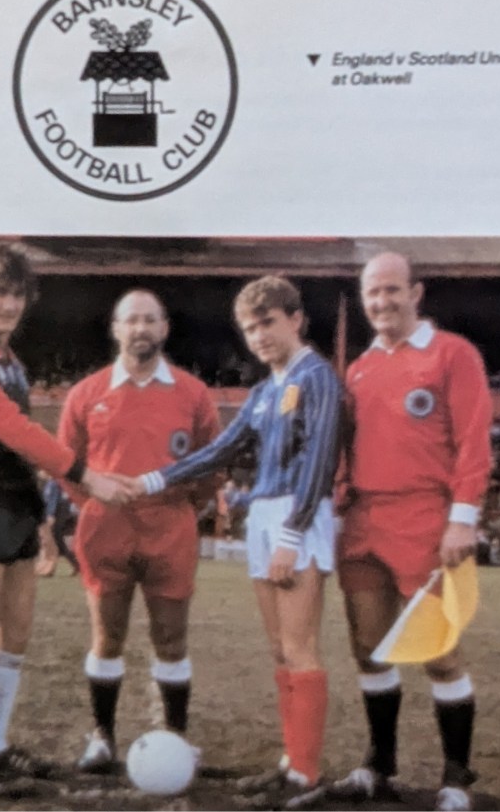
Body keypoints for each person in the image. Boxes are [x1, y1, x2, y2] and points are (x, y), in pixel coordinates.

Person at [126, 276, 343, 809]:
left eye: (268, 323)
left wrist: (293, 532)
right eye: (250, 328)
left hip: (297, 514)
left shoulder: (317, 377)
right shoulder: (266, 390)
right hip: (265, 516)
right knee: (278, 648)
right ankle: (291, 763)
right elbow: (222, 448)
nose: (260, 336)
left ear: (295, 319)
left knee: (299, 646)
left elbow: (320, 460)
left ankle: (307, 774)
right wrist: (156, 479)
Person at [0, 244, 128, 796]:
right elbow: (11, 430)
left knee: (14, 635)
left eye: (18, 294)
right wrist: (84, 474)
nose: (9, 303)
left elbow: (23, 448)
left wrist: (45, 511)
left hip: (17, 502)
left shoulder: (11, 360)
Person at [332, 252, 492, 812]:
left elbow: (474, 441)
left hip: (426, 517)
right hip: (363, 521)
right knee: (369, 651)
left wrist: (462, 516)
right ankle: (380, 766)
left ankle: (455, 778)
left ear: (416, 292)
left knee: (440, 654)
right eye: (373, 292)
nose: (382, 301)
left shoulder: (454, 354)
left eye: (392, 290)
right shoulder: (359, 369)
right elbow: (348, 450)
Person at [56, 290, 221, 772]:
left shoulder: (193, 393)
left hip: (170, 528)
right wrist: (95, 504)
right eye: (132, 320)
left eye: (150, 320)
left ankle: (177, 736)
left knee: (171, 639)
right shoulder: (86, 393)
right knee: (107, 636)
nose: (141, 329)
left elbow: (214, 462)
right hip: (106, 530)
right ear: (116, 328)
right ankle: (102, 736)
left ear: (165, 328)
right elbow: (66, 465)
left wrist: (183, 508)